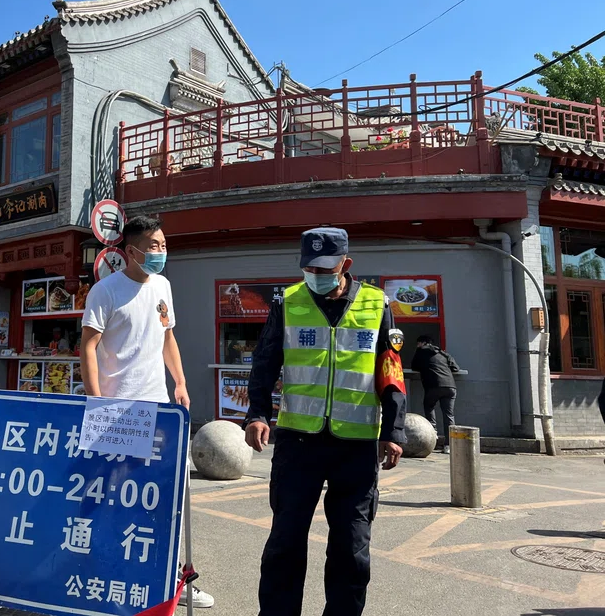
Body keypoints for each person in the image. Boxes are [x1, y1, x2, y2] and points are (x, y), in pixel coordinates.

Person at [245, 227, 406, 616]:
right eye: (309, 268)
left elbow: (390, 368)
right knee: (285, 540)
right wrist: (257, 414)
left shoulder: (376, 303)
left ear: (345, 265)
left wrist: (394, 430)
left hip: (356, 444)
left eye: (324, 268)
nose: (316, 274)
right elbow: (266, 362)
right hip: (298, 443)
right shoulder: (288, 301)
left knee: (351, 547)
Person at [80, 215, 214, 609]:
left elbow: (167, 336)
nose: (160, 253)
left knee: (163, 498)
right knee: (106, 496)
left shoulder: (164, 287)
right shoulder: (105, 292)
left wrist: (182, 382)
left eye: (163, 245)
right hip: (115, 412)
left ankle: (170, 579)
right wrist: (97, 400)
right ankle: (98, 573)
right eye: (152, 246)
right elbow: (88, 347)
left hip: (157, 410)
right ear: (130, 252)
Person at [411, 335, 461, 453]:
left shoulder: (421, 353)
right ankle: (449, 446)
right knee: (449, 416)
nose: (417, 345)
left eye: (418, 343)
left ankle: (433, 436)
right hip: (450, 386)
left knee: (429, 407)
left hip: (433, 386)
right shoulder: (443, 354)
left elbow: (414, 367)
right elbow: (456, 368)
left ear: (423, 343)